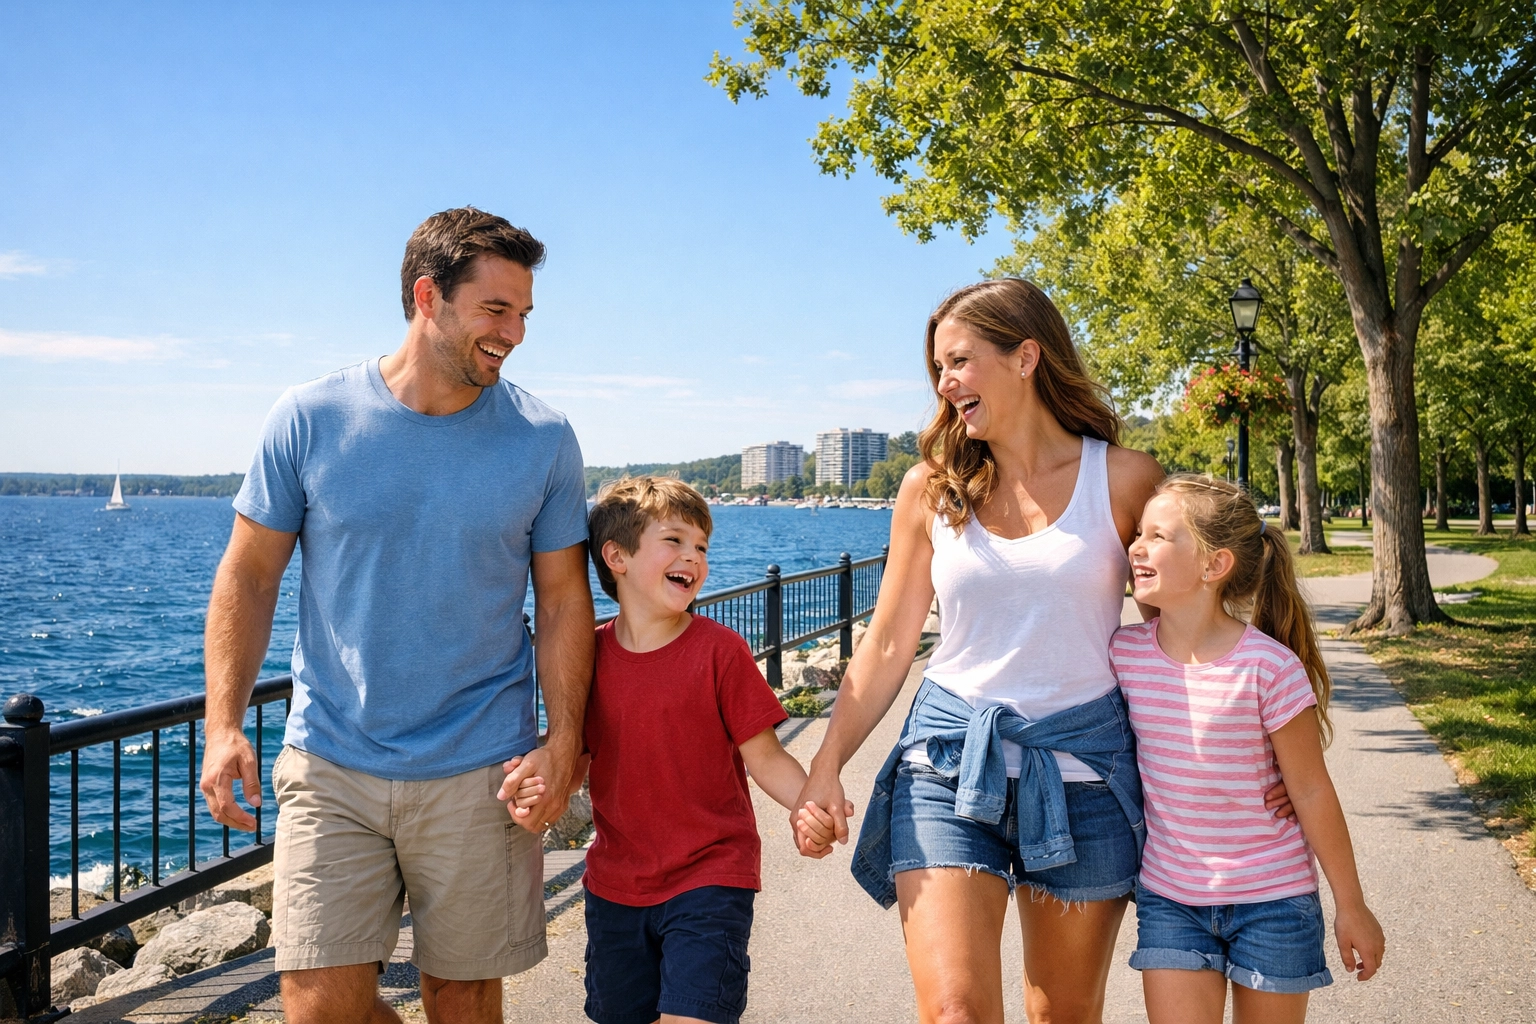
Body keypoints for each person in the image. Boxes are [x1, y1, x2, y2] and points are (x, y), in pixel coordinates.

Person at [200, 207, 594, 1024]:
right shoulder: (309, 418)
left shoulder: (545, 438)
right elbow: (248, 575)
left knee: (461, 999)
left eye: (524, 314)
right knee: (319, 1007)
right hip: (332, 759)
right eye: (496, 309)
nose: (515, 332)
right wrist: (222, 723)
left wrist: (563, 744)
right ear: (428, 296)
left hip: (483, 767)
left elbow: (562, 602)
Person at [791, 278, 1164, 1023]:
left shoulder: (1124, 479)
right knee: (954, 1011)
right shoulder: (930, 488)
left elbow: (1176, 643)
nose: (945, 382)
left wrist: (1251, 759)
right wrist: (823, 766)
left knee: (1062, 1014)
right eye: (938, 368)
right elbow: (891, 640)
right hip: (947, 760)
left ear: (1026, 356)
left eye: (959, 360)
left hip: (1085, 770)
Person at [505, 476, 840, 1024]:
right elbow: (572, 766)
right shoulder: (587, 657)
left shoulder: (721, 652)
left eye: (702, 547)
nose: (694, 557)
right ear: (616, 556)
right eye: (676, 541)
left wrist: (809, 803)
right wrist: (538, 789)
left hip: (712, 876)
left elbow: (766, 757)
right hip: (615, 886)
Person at [1114, 475, 1384, 1023]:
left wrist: (1350, 906)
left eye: (1158, 536)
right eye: (1137, 534)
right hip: (1171, 900)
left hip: (1274, 902)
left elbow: (1310, 789)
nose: (1135, 547)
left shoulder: (1270, 668)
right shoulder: (1124, 654)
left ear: (1215, 566)